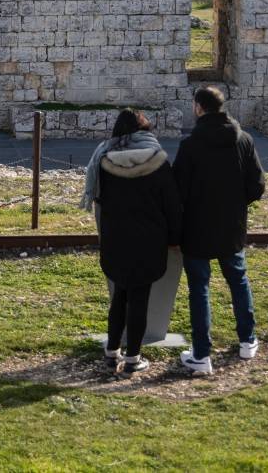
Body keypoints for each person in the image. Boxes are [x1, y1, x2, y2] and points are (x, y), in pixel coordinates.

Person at [172, 85, 265, 376]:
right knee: (238, 280)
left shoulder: (190, 146)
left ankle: (202, 354)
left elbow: (178, 190)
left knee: (199, 288)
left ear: (199, 107)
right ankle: (247, 339)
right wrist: (237, 203)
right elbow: (257, 185)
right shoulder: (244, 141)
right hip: (231, 224)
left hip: (197, 226)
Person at [81, 109, 182, 376]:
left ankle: (112, 352)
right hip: (149, 240)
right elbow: (171, 205)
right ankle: (133, 358)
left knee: (119, 298)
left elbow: (100, 203)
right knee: (139, 299)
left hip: (116, 238)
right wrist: (174, 239)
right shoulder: (159, 162)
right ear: (145, 132)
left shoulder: (103, 160)